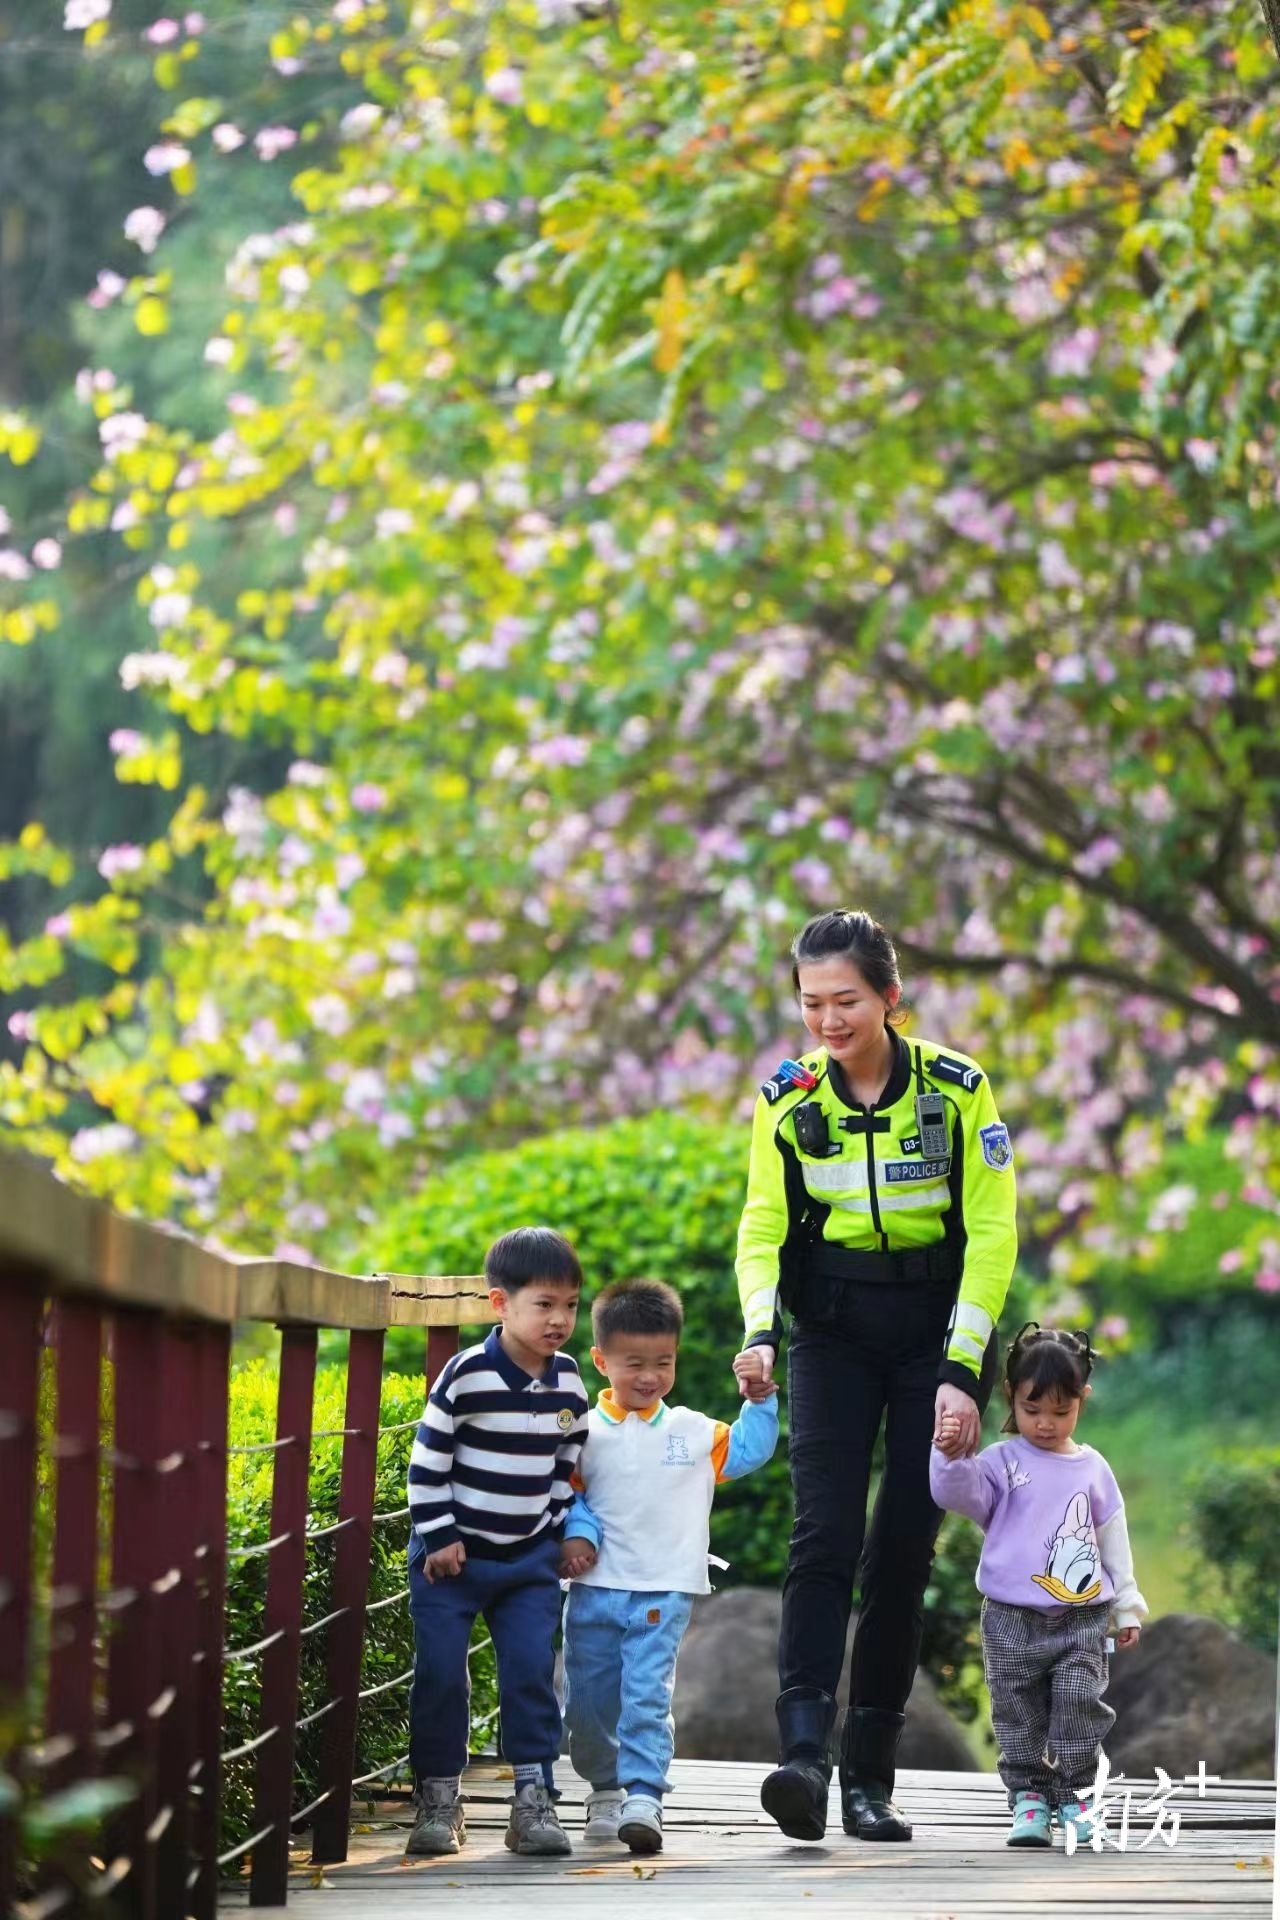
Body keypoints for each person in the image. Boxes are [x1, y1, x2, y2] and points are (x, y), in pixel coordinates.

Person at [732, 909, 1017, 1843]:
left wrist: (962, 1373)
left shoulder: (957, 1089)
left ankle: (871, 1779)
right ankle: (802, 1761)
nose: (828, 1020)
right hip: (832, 1335)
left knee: (901, 1548)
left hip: (934, 1336)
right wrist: (762, 1331)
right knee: (823, 1534)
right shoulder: (786, 1100)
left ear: (890, 997)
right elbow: (762, 1228)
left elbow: (992, 1234)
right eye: (811, 1002)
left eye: (846, 1000)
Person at [559, 1278, 778, 1855]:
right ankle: (604, 1787)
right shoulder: (582, 1431)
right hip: (593, 1588)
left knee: (646, 1696)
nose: (650, 1376)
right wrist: (575, 1533)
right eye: (634, 1363)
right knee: (586, 1705)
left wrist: (759, 1400)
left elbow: (750, 1450)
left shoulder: (693, 1431)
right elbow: (563, 1495)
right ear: (601, 1361)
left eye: (664, 1362)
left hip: (664, 1590)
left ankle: (643, 1796)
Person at [404, 1226, 589, 1859]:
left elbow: (567, 1463)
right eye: (544, 1304)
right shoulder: (467, 1375)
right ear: (500, 1304)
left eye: (570, 1305)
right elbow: (427, 1464)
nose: (560, 1320)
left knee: (532, 1673)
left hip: (528, 1560)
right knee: (440, 1675)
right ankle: (438, 1800)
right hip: (451, 1562)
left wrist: (554, 1527)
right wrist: (440, 1536)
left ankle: (533, 1801)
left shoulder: (569, 1383)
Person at [931, 1324, 1146, 1847]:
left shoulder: (1093, 1469)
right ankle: (1029, 1798)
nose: (1045, 1423)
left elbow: (1113, 1541)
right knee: (1016, 1710)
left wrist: (1127, 1606)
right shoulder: (1000, 1463)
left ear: (1082, 1399)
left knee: (1079, 1703)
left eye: (1060, 1411)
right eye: (1032, 1410)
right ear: (1011, 1395)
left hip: (1081, 1619)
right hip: (1009, 1617)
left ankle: (1077, 1797)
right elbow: (954, 1495)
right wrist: (951, 1454)